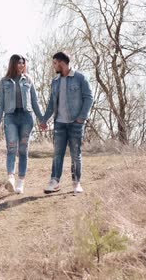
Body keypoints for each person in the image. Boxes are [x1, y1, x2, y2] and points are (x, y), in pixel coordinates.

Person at [39, 51, 93, 194]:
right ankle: (54, 181)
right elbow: (52, 103)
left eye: (55, 63)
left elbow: (89, 98)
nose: (54, 66)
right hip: (59, 124)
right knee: (57, 154)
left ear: (62, 63)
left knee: (76, 154)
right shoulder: (55, 82)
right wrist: (44, 119)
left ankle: (76, 183)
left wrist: (81, 118)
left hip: (76, 123)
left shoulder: (80, 78)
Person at [0, 54, 43, 194]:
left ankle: (21, 181)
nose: (22, 65)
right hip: (10, 117)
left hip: (26, 117)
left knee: (23, 150)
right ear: (13, 64)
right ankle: (11, 178)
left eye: (23, 63)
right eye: (19, 63)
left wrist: (42, 120)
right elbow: (0, 105)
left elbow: (35, 102)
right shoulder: (4, 82)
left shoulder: (28, 80)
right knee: (11, 148)